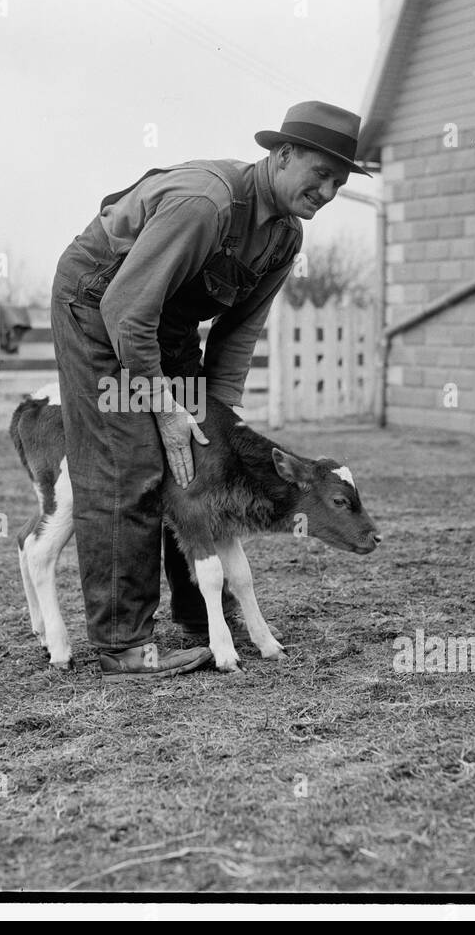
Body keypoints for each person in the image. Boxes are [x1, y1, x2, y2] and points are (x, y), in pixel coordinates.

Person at [50, 100, 370, 681]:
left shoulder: (283, 238)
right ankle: (123, 643)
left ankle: (201, 614)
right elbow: (126, 308)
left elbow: (237, 333)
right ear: (282, 156)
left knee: (201, 450)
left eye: (338, 183)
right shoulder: (207, 204)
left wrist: (218, 416)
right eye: (318, 173)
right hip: (98, 306)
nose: (325, 190)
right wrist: (163, 406)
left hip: (160, 322)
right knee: (130, 462)